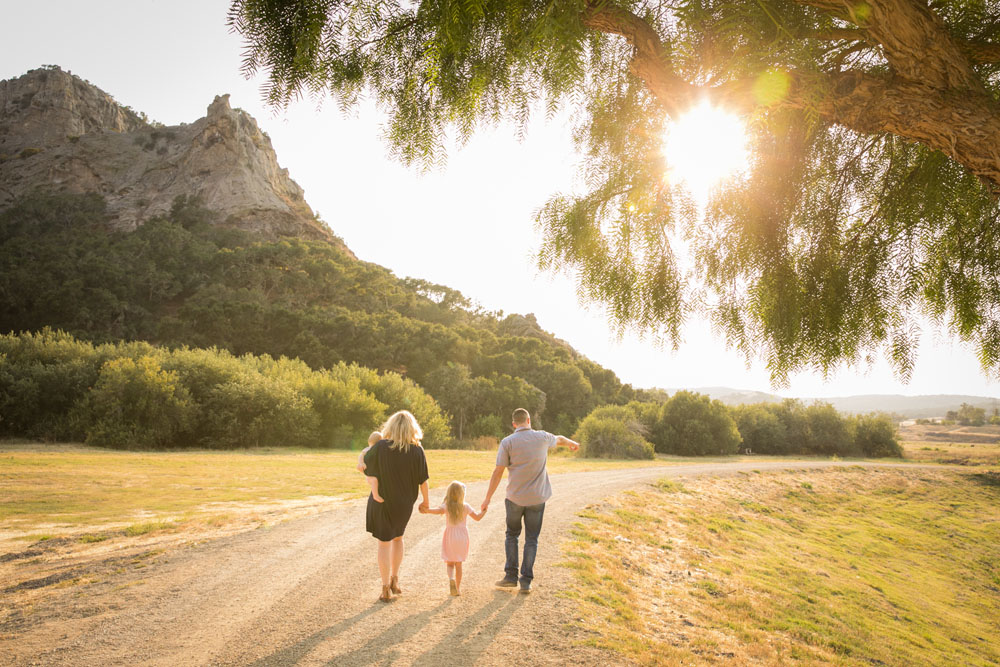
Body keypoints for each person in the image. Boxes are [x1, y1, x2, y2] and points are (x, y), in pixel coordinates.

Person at [480, 408, 579, 594]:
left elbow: (498, 471)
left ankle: (510, 576)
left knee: (512, 535)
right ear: (528, 420)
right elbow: (560, 439)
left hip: (515, 498)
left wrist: (487, 498)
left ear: (514, 424)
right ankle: (525, 581)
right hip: (537, 498)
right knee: (531, 539)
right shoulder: (542, 437)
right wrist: (572, 443)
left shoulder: (507, 442)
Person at [364, 411, 430, 602]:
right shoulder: (417, 450)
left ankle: (385, 587)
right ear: (412, 428)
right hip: (404, 503)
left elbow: (366, 466)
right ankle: (395, 580)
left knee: (383, 543)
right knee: (398, 539)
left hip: (381, 501)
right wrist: (426, 502)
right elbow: (423, 481)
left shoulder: (381, 446)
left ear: (391, 427)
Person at [422, 481, 486, 596]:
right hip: (462, 536)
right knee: (459, 563)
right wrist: (484, 511)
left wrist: (427, 510)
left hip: (450, 536)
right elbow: (477, 518)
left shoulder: (446, 506)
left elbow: (437, 511)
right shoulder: (465, 506)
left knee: (450, 563)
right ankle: (457, 587)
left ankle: (451, 578)